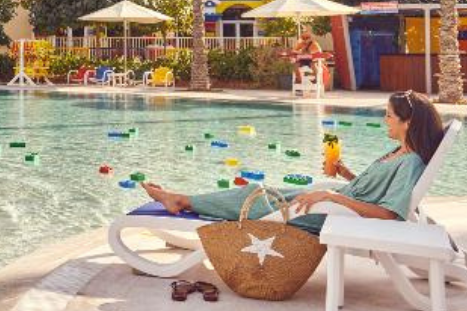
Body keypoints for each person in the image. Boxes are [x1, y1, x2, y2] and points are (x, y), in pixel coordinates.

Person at [140, 91, 444, 233]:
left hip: (334, 213)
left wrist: (330, 194)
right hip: (334, 202)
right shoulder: (399, 153)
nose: (385, 120)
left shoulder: (411, 162)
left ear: (408, 122)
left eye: (389, 115)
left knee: (257, 199)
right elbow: (370, 190)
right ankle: (186, 201)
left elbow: (390, 214)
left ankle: (180, 200)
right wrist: (343, 172)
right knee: (260, 190)